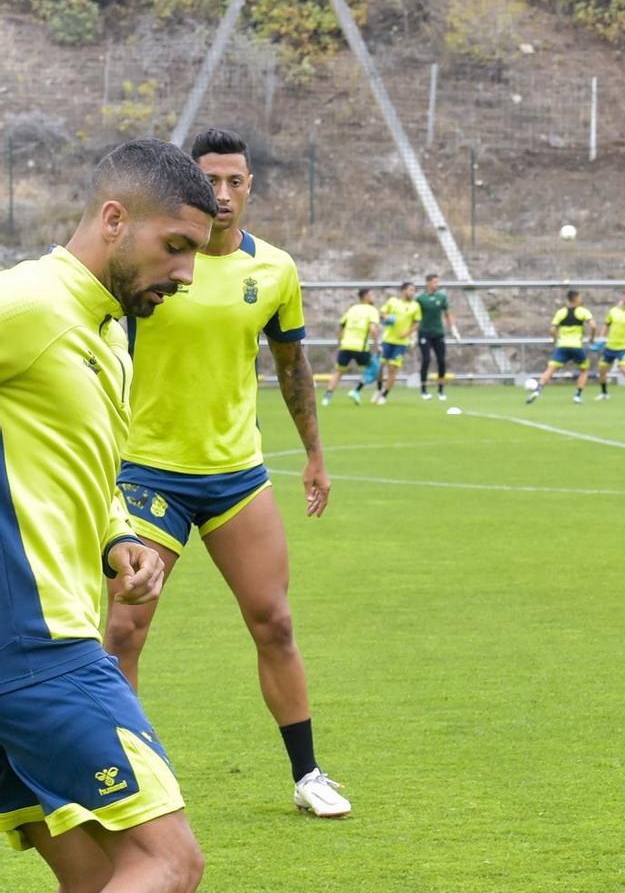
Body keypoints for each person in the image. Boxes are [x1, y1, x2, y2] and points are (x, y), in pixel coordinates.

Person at [0, 138, 217, 893]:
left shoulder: (106, 336)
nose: (185, 271)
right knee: (167, 860)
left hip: (43, 626)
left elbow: (71, 465)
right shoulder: (32, 302)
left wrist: (119, 536)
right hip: (35, 647)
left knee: (92, 877)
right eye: (176, 246)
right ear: (112, 217)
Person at [105, 124, 349, 820]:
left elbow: (292, 367)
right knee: (125, 629)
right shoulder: (150, 258)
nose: (220, 194)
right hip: (148, 473)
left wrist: (314, 454)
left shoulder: (275, 270)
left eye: (233, 181)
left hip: (237, 475)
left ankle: (308, 775)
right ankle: (125, 774)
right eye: (207, 180)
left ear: (250, 187)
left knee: (273, 621)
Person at [526, 290, 593, 405]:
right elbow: (593, 325)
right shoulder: (583, 312)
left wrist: (556, 339)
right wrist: (592, 338)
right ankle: (577, 395)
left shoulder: (561, 312)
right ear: (576, 298)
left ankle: (537, 391)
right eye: (580, 297)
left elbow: (552, 329)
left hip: (562, 345)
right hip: (576, 346)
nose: (581, 299)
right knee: (584, 370)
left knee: (550, 369)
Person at [323, 287, 379, 405]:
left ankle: (326, 398)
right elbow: (373, 329)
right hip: (360, 347)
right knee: (374, 368)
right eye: (372, 295)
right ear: (366, 297)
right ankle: (356, 390)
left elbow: (339, 328)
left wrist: (340, 342)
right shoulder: (372, 310)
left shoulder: (352, 309)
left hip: (345, 346)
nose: (374, 297)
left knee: (338, 372)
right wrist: (377, 345)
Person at [414, 272, 459, 401]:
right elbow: (415, 317)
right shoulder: (421, 299)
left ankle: (441, 390)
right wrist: (412, 334)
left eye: (437, 282)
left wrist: (453, 329)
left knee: (441, 360)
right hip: (424, 332)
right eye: (434, 282)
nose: (436, 284)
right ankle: (423, 390)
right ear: (428, 283)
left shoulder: (442, 297)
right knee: (426, 359)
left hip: (438, 333)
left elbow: (447, 313)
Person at [595, 289, 625, 401]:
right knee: (602, 369)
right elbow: (606, 325)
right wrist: (601, 339)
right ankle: (604, 393)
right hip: (610, 347)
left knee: (624, 369)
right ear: (623, 298)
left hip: (623, 348)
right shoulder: (613, 311)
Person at [375, 280, 419, 404]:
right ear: (404, 290)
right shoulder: (392, 301)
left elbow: (416, 323)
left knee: (393, 368)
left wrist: (408, 333)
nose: (412, 293)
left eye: (414, 291)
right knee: (380, 366)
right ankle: (378, 389)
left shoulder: (415, 306)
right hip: (387, 339)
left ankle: (384, 395)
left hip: (401, 343)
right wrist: (386, 317)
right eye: (411, 290)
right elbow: (382, 312)